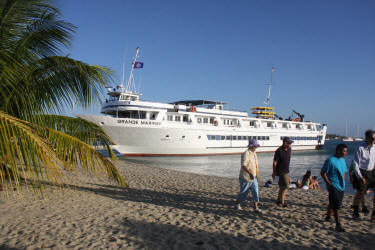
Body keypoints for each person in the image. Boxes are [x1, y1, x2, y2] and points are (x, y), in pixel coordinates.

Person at [321, 143, 348, 232]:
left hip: (341, 186)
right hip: (333, 185)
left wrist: (344, 182)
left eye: (346, 151)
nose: (345, 153)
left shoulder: (343, 160)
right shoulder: (330, 160)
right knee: (336, 206)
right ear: (338, 151)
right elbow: (323, 173)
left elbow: (344, 172)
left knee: (333, 202)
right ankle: (338, 224)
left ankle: (328, 217)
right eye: (344, 151)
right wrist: (329, 184)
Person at [351, 130, 375, 220]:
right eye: (372, 138)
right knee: (360, 193)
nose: (373, 140)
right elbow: (355, 164)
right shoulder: (360, 148)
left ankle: (373, 213)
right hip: (362, 171)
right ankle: (355, 211)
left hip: (372, 172)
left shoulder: (374, 147)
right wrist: (360, 176)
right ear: (366, 138)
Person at [235, 139, 261, 212]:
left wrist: (256, 174)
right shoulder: (246, 153)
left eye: (256, 146)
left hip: (254, 176)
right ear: (250, 146)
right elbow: (244, 165)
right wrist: (250, 173)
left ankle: (256, 207)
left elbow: (255, 165)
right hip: (246, 177)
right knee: (244, 192)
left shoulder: (254, 153)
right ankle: (237, 203)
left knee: (255, 191)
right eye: (254, 146)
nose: (255, 148)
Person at [272, 137, 293, 207]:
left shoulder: (289, 149)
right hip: (280, 171)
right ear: (285, 143)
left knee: (282, 187)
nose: (290, 144)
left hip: (286, 171)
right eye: (289, 143)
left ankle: (278, 200)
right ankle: (282, 202)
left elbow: (287, 161)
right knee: (286, 186)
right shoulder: (279, 151)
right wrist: (274, 173)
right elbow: (275, 162)